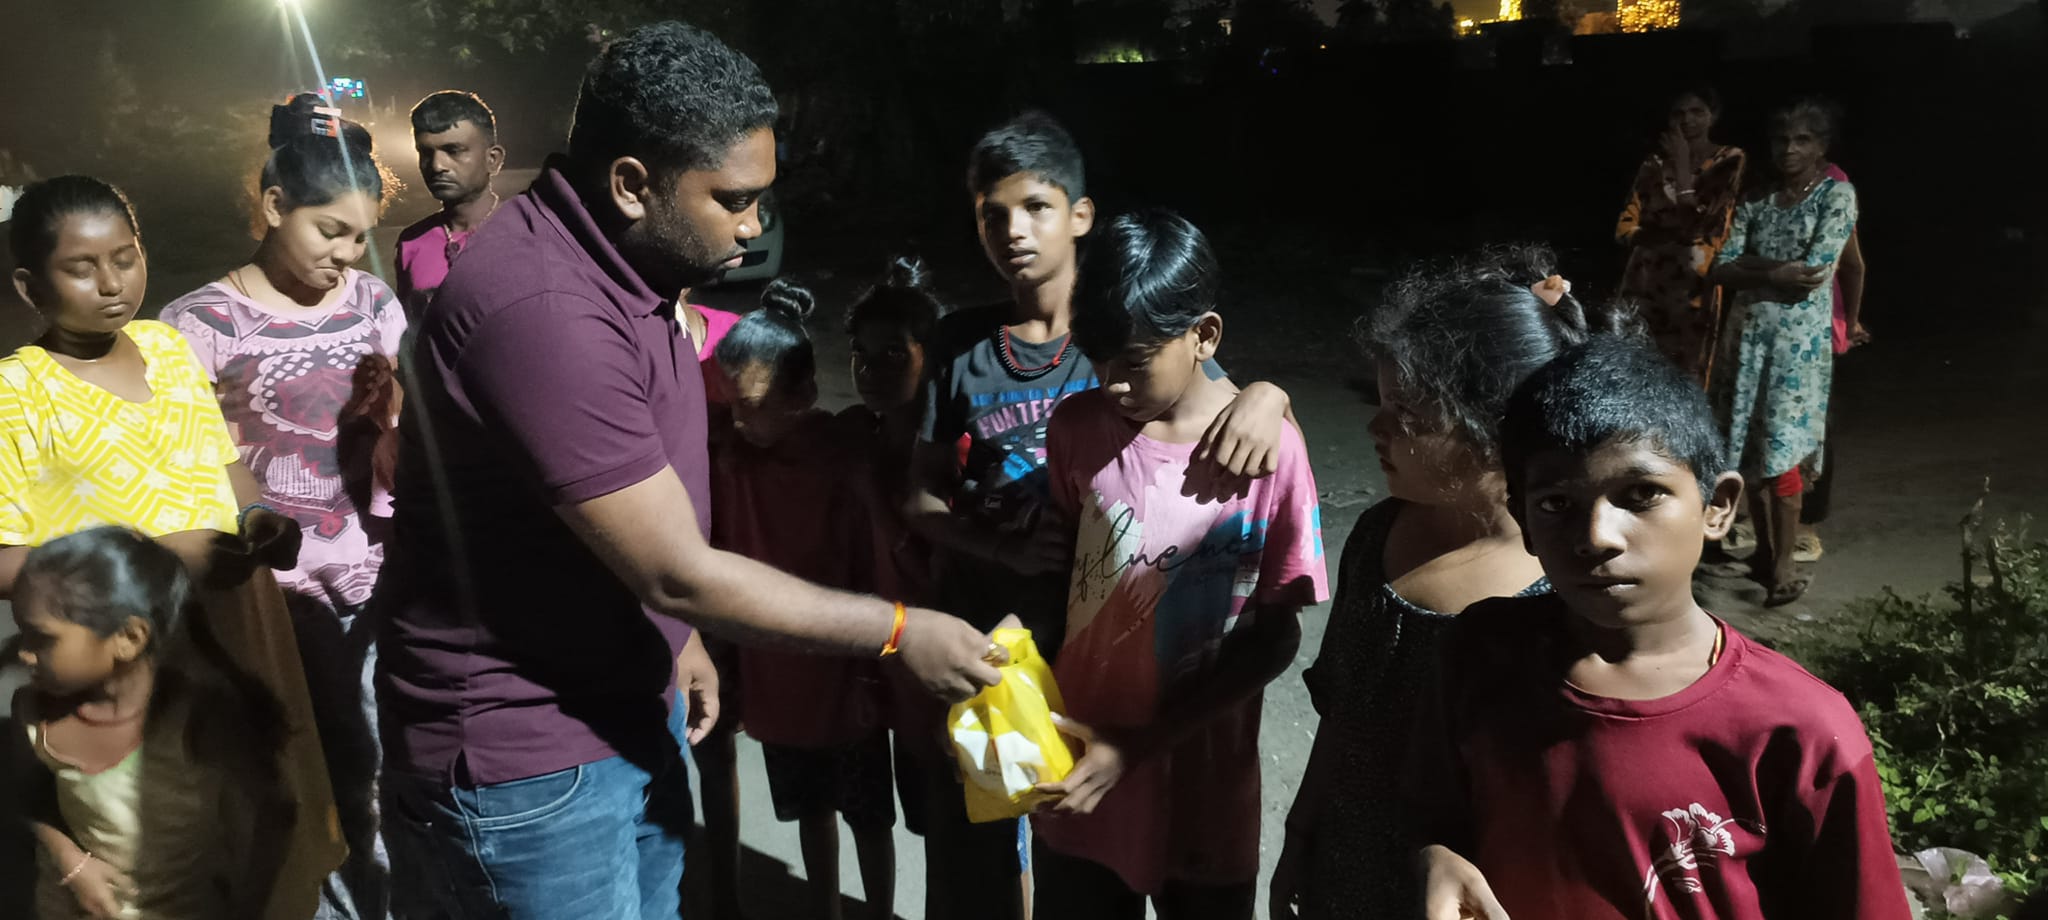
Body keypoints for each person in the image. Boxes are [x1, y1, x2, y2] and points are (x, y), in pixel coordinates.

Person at [374, 23, 1001, 920]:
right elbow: (675, 570)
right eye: (734, 200)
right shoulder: (544, 309)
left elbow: (633, 528)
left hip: (622, 706)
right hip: (529, 769)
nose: (754, 225)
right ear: (632, 184)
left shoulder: (630, 259)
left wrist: (678, 641)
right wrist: (902, 630)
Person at [904, 110, 1294, 920]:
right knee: (988, 861)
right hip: (1018, 646)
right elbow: (924, 496)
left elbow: (1209, 388)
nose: (1014, 230)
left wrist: (1271, 395)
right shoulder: (976, 354)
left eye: (1036, 206)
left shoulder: (1138, 335)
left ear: (1080, 213)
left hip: (1162, 725)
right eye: (992, 213)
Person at [1411, 334, 1911, 920]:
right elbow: (1431, 812)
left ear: (1717, 506)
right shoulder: (1479, 651)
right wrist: (1434, 856)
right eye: (1556, 504)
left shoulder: (1799, 729)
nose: (1597, 536)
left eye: (1641, 494)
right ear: (1521, 517)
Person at [1, 175, 344, 916]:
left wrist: (257, 516)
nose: (112, 283)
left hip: (238, 623)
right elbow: (7, 561)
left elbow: (222, 464)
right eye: (81, 268)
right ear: (30, 286)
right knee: (161, 853)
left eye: (125, 257)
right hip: (129, 659)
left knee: (267, 819)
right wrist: (166, 554)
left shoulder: (166, 345)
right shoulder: (18, 393)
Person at [1272, 247, 1637, 920]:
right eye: (1380, 403)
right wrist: (1300, 831)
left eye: (1409, 417)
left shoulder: (1558, 597)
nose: (1377, 428)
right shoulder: (1378, 536)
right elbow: (1345, 711)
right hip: (1345, 864)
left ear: (1498, 437)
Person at [1028, 210, 1328, 920]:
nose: (1111, 383)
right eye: (1096, 358)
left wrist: (1142, 744)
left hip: (1203, 781)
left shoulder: (1270, 455)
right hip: (1081, 763)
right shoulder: (1076, 429)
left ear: (1205, 336)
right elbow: (1065, 583)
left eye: (1133, 362)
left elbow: (1276, 637)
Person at [158, 122, 404, 920]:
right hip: (274, 593)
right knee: (301, 769)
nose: (348, 254)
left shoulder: (373, 301)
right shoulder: (196, 325)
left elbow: (403, 424)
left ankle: (381, 897)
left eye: (361, 236)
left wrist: (391, 411)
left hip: (377, 575)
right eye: (330, 230)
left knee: (380, 760)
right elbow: (185, 460)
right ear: (273, 206)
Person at [708, 278, 899, 920]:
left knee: (868, 817)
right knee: (810, 810)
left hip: (847, 672)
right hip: (777, 679)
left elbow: (875, 560)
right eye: (732, 405)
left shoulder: (845, 456)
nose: (740, 421)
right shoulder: (733, 458)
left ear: (805, 392)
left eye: (753, 406)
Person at [9, 527, 292, 920]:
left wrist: (248, 908)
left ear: (129, 637)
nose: (23, 654)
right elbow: (26, 797)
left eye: (41, 638)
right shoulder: (35, 713)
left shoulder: (197, 722)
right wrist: (70, 859)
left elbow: (275, 816)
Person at [1706, 98, 1858, 607]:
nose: (1789, 149)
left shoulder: (1836, 195)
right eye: (1781, 140)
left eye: (1802, 140)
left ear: (1822, 146)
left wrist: (1752, 266)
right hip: (1746, 339)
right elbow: (1721, 266)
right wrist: (1773, 270)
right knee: (1750, 446)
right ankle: (1765, 552)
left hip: (1795, 350)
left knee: (1782, 450)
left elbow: (1814, 270)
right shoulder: (1758, 198)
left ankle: (1785, 563)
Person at [1616, 85, 1747, 384]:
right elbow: (1624, 229)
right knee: (1636, 370)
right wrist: (1673, 233)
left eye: (1697, 111)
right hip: (1645, 282)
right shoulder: (1653, 165)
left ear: (1714, 116)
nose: (1687, 120)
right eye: (1679, 113)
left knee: (1686, 375)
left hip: (1692, 287)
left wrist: (1683, 163)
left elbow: (1699, 224)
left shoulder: (1729, 159)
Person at [394, 90, 505, 322]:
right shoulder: (411, 242)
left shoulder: (527, 232)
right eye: (426, 153)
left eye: (453, 151)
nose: (437, 166)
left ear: (492, 159)